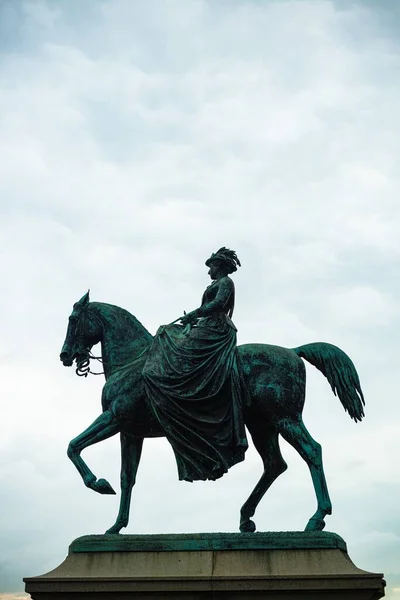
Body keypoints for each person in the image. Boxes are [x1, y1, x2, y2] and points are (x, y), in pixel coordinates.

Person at [142, 247, 248, 482]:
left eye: (211, 266)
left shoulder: (225, 283)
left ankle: (184, 384)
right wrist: (195, 317)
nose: (209, 270)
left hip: (218, 329)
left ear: (219, 266)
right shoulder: (214, 284)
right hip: (206, 325)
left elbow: (219, 305)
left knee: (170, 337)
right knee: (169, 333)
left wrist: (194, 314)